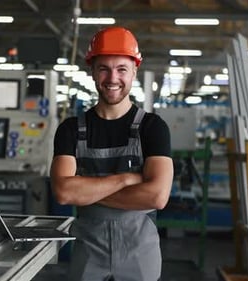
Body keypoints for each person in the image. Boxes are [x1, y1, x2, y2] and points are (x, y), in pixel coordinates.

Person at [50, 26, 174, 281]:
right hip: (88, 253)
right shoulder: (71, 130)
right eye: (104, 68)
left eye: (121, 69)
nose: (112, 78)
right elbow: (64, 192)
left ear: (134, 72)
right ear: (93, 71)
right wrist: (126, 179)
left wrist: (87, 192)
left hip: (140, 255)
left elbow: (157, 196)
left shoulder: (153, 128)